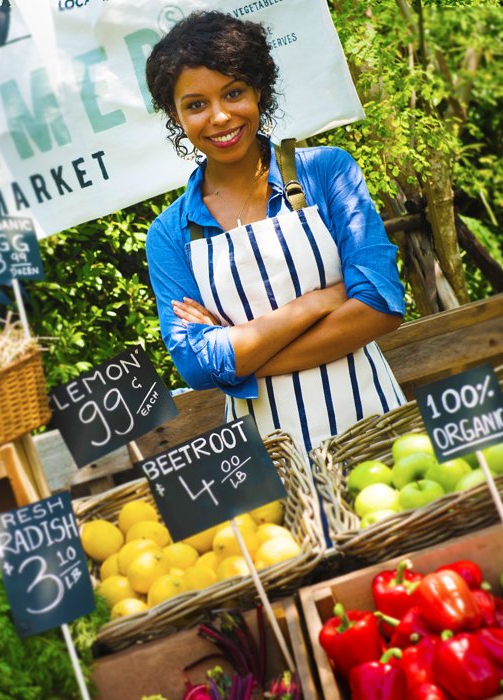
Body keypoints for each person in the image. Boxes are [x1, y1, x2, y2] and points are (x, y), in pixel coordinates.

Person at [144, 10, 406, 459]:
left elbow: (380, 306)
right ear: (176, 114)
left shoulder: (326, 171)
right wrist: (318, 301)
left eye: (234, 92)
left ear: (258, 91)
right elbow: (195, 365)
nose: (220, 117)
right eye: (196, 104)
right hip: (266, 461)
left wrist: (238, 359)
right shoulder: (169, 234)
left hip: (377, 431)